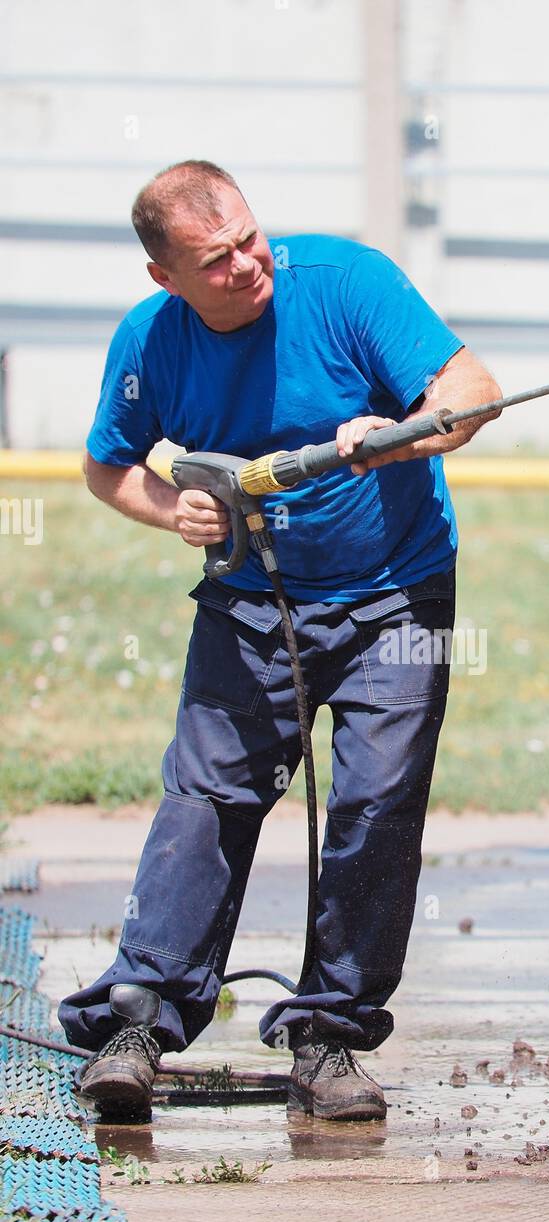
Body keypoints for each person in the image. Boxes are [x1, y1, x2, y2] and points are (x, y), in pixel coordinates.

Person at [58, 160, 501, 1122]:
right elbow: (107, 469)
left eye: (251, 238)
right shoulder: (150, 342)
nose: (248, 265)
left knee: (377, 807)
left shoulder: (346, 284)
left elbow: (475, 390)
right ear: (164, 277)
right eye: (216, 260)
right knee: (205, 800)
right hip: (251, 606)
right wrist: (175, 508)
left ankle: (331, 1039)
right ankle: (141, 1021)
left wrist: (402, 434)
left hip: (396, 596)